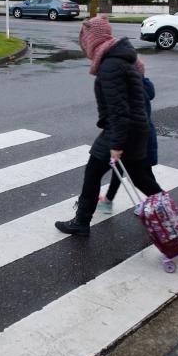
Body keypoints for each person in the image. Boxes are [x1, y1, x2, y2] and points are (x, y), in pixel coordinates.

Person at [55, 16, 163, 236]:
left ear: (91, 39)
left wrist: (116, 145)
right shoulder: (120, 58)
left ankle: (81, 222)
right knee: (141, 177)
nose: (83, 43)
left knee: (94, 171)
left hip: (122, 131)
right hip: (134, 129)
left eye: (83, 38)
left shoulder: (110, 65)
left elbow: (119, 111)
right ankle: (173, 217)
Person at [97, 74, 156, 214]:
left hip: (132, 135)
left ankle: (159, 206)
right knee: (133, 169)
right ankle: (108, 201)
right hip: (142, 134)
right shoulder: (143, 84)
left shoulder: (129, 86)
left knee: (140, 173)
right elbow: (151, 93)